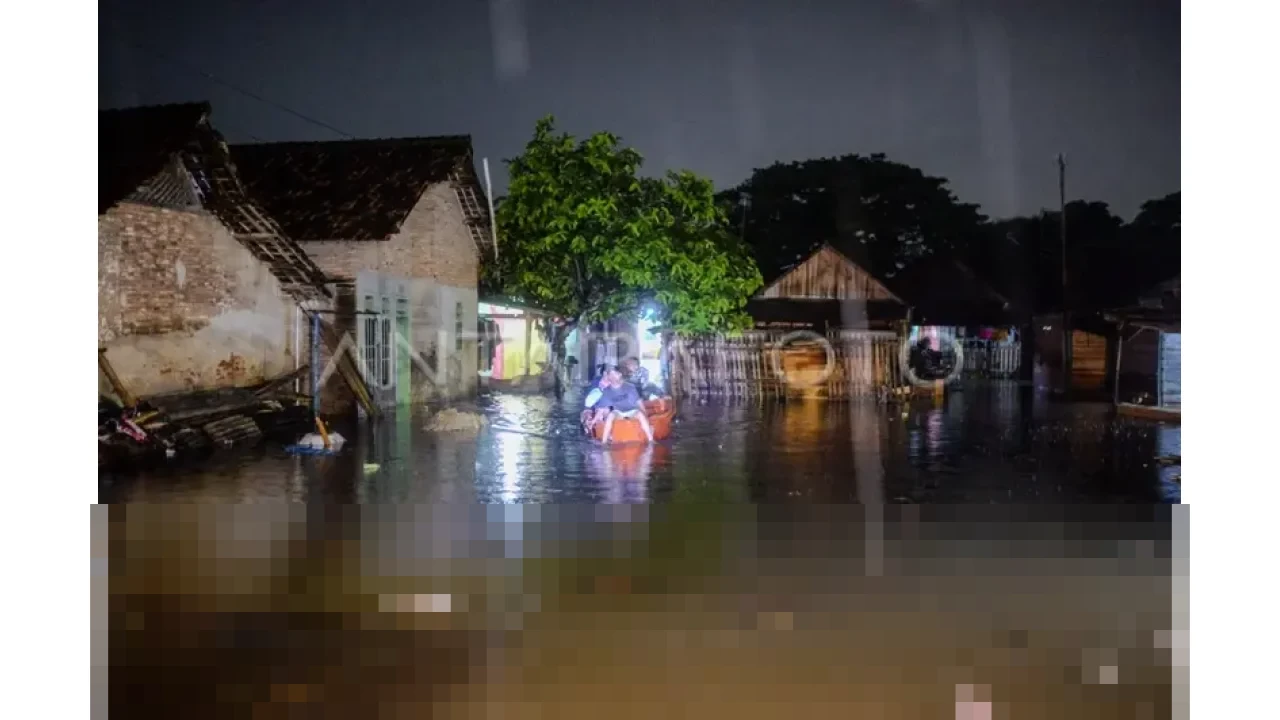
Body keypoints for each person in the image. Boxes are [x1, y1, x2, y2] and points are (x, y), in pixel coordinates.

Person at [586, 368, 654, 444]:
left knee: (640, 414)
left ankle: (650, 440)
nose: (613, 377)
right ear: (608, 377)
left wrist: (646, 417)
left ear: (620, 375)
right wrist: (593, 421)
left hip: (632, 410)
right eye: (611, 375)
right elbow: (601, 409)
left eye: (615, 374)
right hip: (619, 412)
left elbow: (639, 402)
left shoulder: (629, 387)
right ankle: (604, 442)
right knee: (610, 416)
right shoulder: (607, 391)